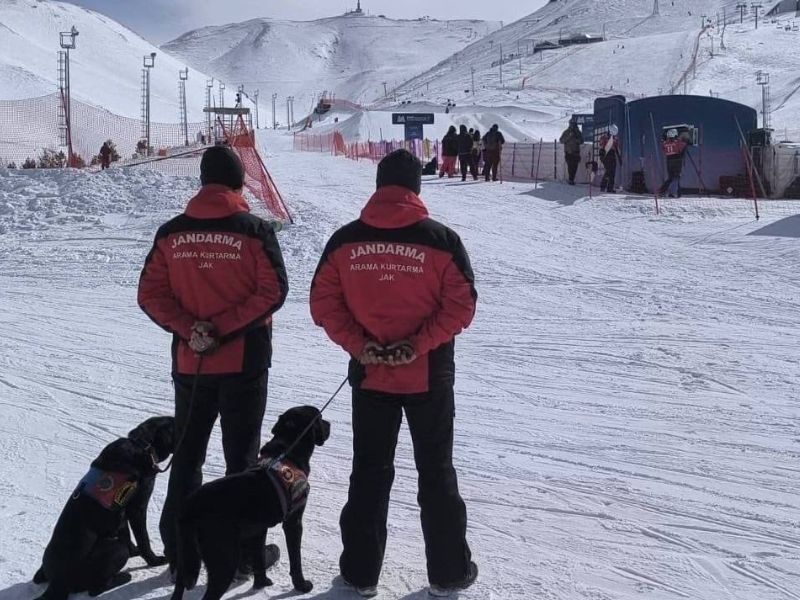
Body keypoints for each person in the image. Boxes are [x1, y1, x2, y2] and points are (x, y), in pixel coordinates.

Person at [310, 149, 478, 599]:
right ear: (416, 189)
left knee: (369, 471)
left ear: (378, 186)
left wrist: (362, 345)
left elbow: (324, 304)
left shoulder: (346, 241)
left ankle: (360, 574)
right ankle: (448, 573)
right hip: (428, 375)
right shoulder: (442, 240)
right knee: (436, 471)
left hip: (371, 375)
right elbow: (461, 306)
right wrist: (416, 346)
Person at [137, 145, 289, 576]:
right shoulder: (255, 229)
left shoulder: (171, 233)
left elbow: (150, 294)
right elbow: (273, 291)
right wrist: (223, 327)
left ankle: (181, 555)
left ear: (202, 182)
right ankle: (242, 555)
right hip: (243, 363)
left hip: (191, 364)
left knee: (187, 459)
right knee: (240, 461)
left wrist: (191, 329)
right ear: (240, 183)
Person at [659, 129, 692, 197]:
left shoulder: (665, 143)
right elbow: (684, 145)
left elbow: (663, 148)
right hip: (677, 161)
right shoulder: (677, 142)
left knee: (671, 178)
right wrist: (686, 140)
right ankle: (671, 192)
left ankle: (665, 191)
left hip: (669, 161)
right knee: (676, 177)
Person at [559, 120, 584, 185]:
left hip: (576, 152)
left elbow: (581, 141)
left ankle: (572, 179)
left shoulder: (578, 132)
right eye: (571, 124)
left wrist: (576, 139)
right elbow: (561, 140)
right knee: (570, 166)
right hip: (568, 152)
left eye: (573, 124)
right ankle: (570, 179)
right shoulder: (566, 132)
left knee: (574, 167)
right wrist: (569, 136)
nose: (572, 125)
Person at [598, 124, 621, 193]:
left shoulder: (615, 138)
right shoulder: (604, 137)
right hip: (606, 155)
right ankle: (603, 186)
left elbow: (617, 149)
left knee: (612, 172)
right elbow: (601, 147)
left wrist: (619, 158)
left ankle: (610, 188)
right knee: (608, 171)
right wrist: (602, 156)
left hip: (612, 155)